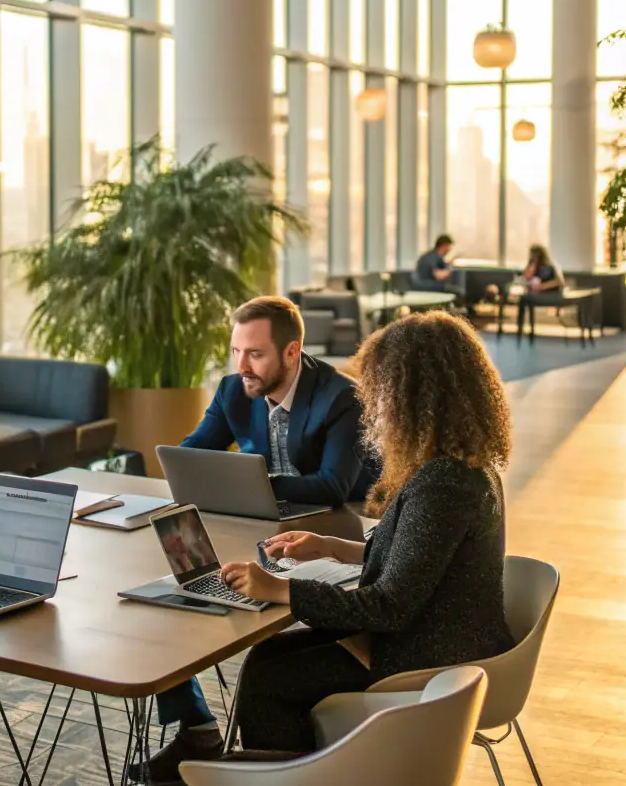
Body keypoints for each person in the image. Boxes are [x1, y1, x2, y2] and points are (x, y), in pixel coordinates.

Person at [212, 311, 515, 758]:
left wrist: (279, 588)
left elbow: (388, 606)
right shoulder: (462, 465)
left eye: (378, 392)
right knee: (266, 657)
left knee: (270, 681)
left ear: (410, 397)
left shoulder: (444, 482)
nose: (372, 406)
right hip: (438, 630)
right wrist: (332, 547)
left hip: (430, 651)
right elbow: (419, 556)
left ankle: (302, 774)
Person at [129, 296, 372, 782]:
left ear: (291, 352)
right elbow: (196, 453)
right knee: (162, 596)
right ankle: (197, 727)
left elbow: (333, 485)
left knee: (270, 645)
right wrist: (196, 467)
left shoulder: (339, 397)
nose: (241, 364)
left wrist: (251, 478)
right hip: (256, 527)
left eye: (254, 353)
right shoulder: (233, 390)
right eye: (236, 350)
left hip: (333, 532)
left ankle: (305, 757)